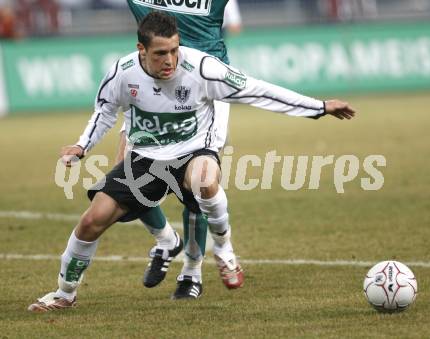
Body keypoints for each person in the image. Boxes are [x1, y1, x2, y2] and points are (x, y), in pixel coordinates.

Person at [28, 11, 355, 311]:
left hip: (194, 151)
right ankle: (64, 294)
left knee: (205, 180)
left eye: (174, 50)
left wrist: (318, 107)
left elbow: (259, 91)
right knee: (91, 221)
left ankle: (224, 250)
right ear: (141, 49)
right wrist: (82, 146)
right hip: (147, 157)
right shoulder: (122, 73)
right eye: (160, 53)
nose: (169, 60)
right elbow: (104, 111)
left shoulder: (202, 68)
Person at [120, 0, 243, 292]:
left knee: (198, 183)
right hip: (153, 84)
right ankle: (165, 239)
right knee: (127, 176)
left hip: (204, 85)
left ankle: (194, 270)